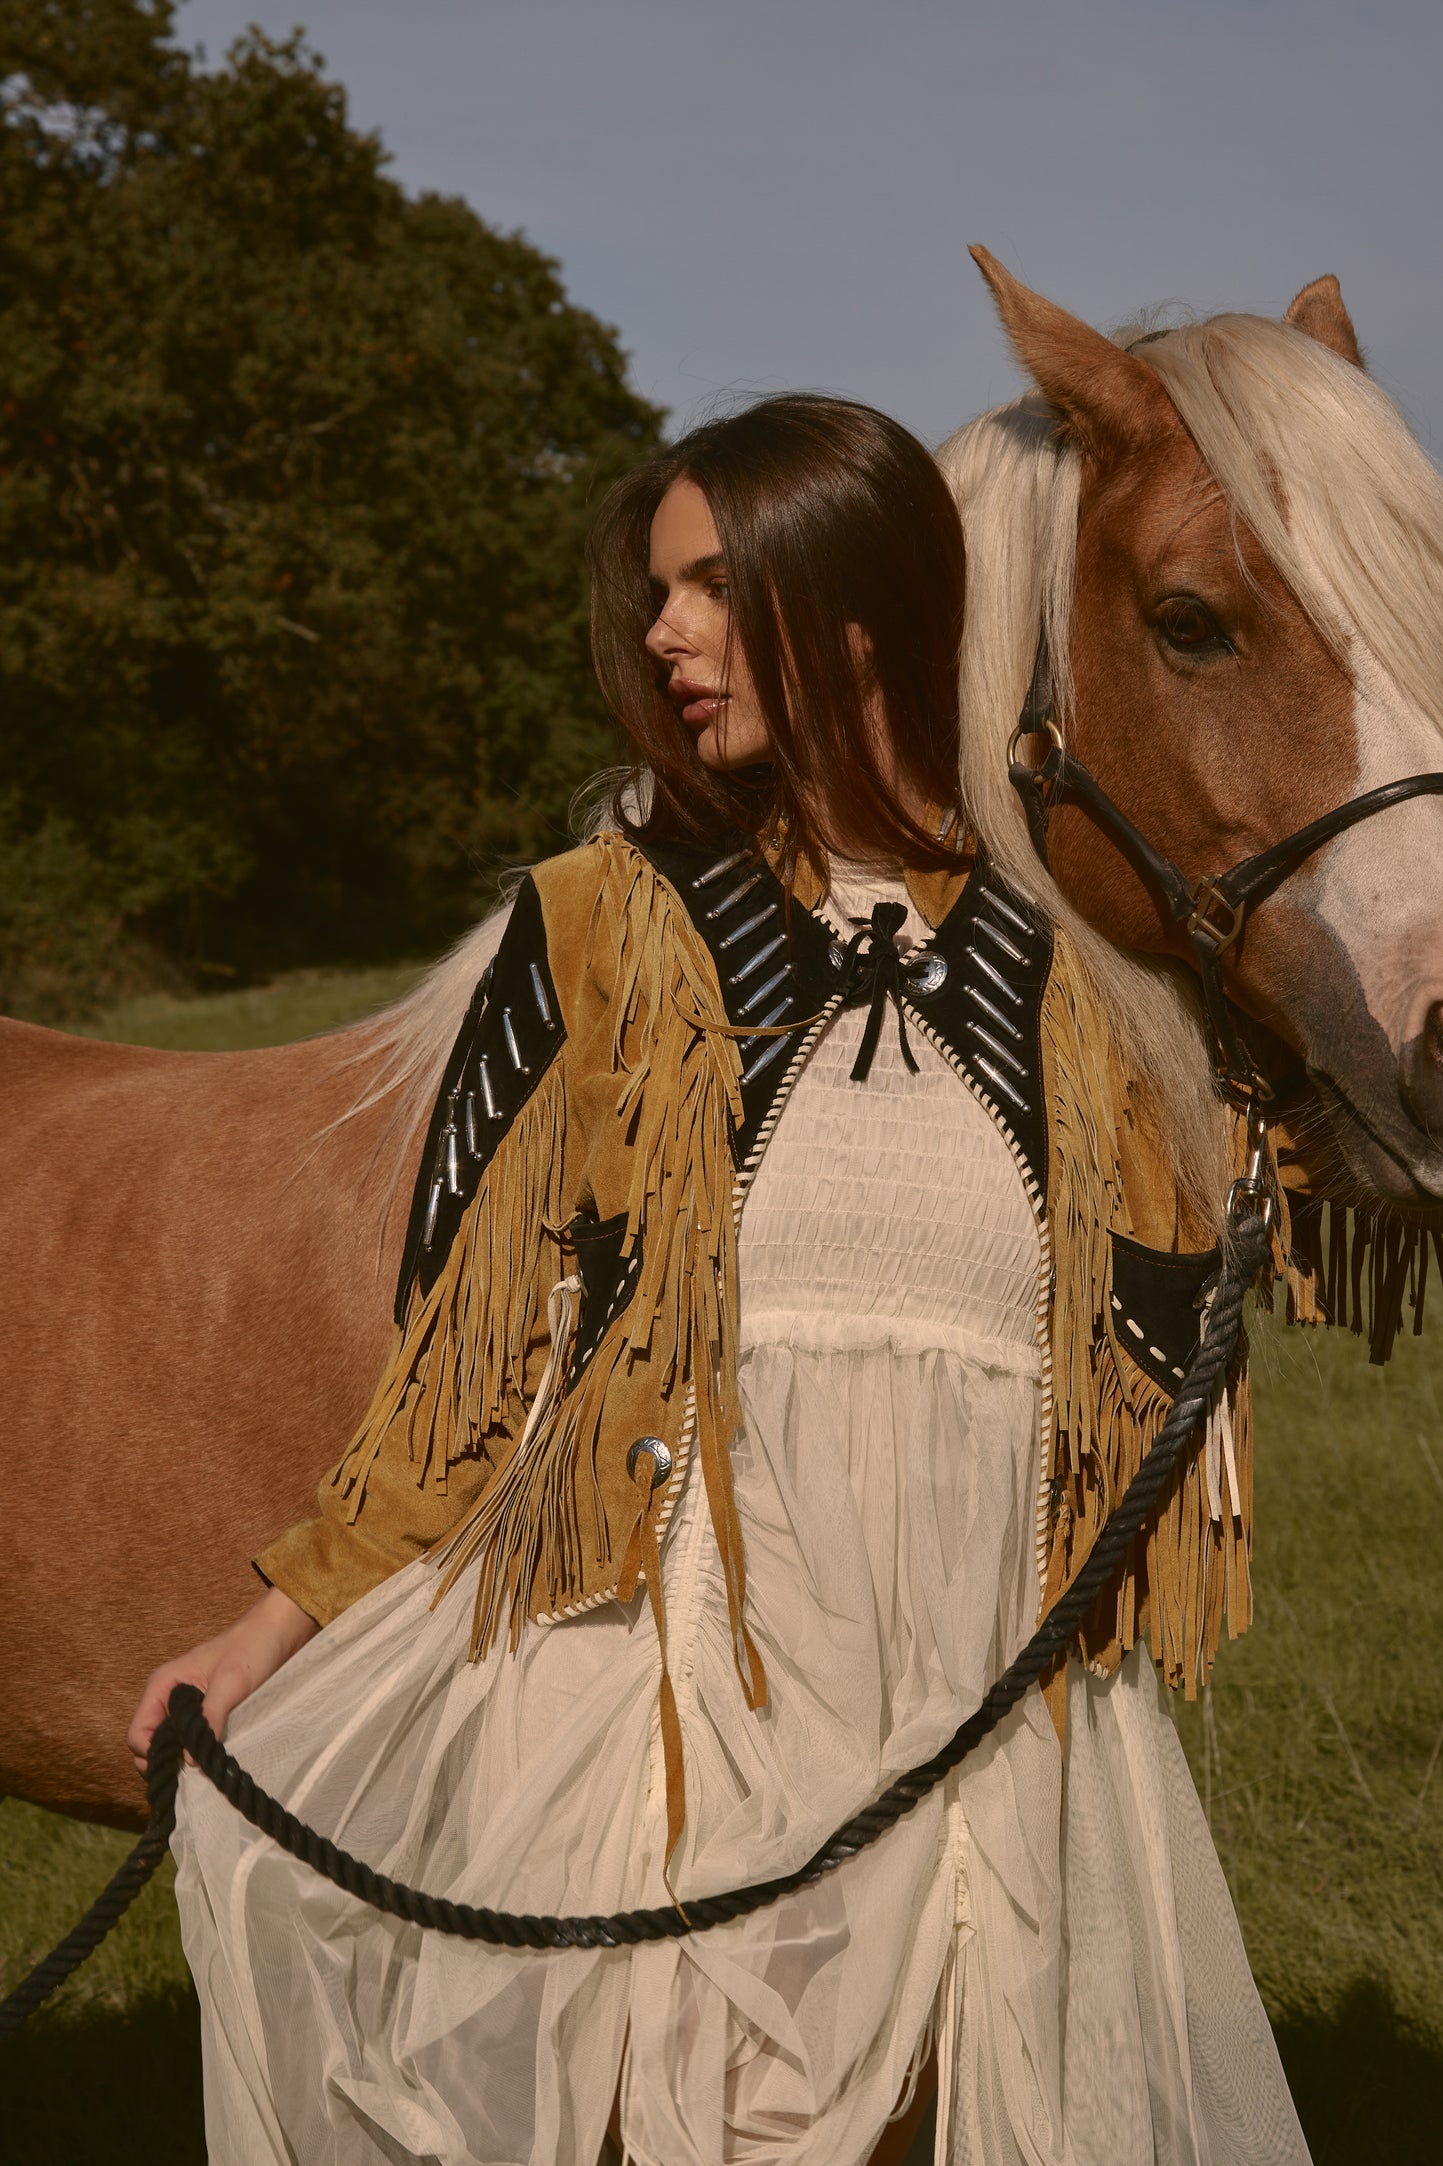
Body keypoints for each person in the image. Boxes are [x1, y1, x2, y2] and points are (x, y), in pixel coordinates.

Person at [130, 394, 1308, 2165]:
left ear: (848, 609)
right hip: (671, 1695)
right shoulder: (603, 929)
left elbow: (1155, 1343)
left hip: (990, 1712)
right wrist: (264, 1628)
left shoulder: (1068, 973)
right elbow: (465, 1365)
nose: (662, 631)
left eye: (706, 585)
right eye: (658, 591)